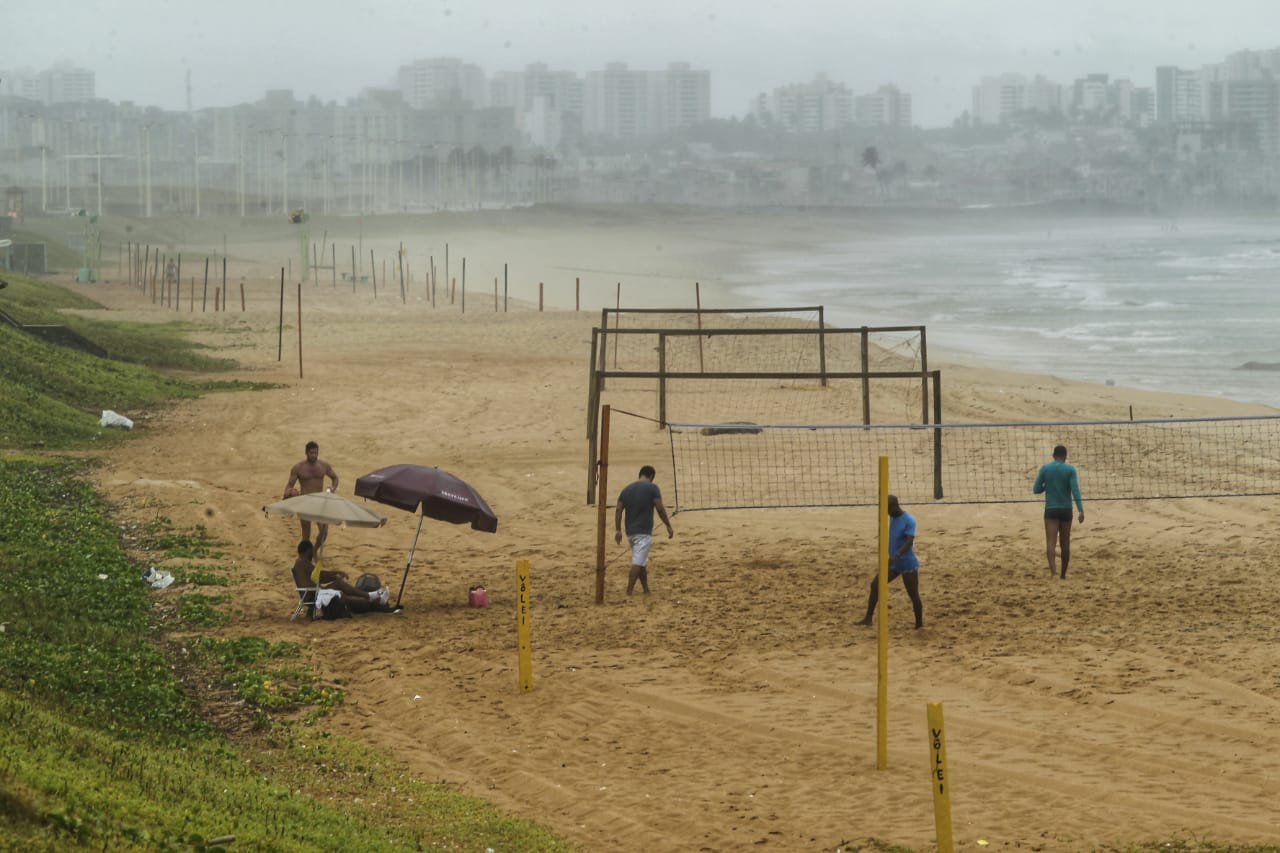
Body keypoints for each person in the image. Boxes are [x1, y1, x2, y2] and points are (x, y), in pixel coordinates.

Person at [856, 495, 923, 629]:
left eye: (886, 509)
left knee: (913, 594)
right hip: (894, 564)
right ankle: (868, 618)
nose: (885, 512)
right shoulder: (893, 517)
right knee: (875, 585)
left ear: (894, 507)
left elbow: (909, 541)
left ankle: (919, 624)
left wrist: (896, 555)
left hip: (907, 563)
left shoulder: (909, 520)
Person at [614, 465, 674, 595]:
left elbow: (618, 510)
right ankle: (629, 591)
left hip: (630, 532)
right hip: (643, 532)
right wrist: (668, 525)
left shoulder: (627, 489)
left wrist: (618, 530)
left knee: (641, 561)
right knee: (637, 562)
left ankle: (646, 589)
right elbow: (660, 508)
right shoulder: (653, 488)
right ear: (651, 476)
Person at [291, 539, 391, 614]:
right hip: (313, 595)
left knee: (341, 588)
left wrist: (334, 576)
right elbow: (320, 576)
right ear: (308, 550)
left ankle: (371, 598)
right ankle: (371, 599)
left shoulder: (299, 563)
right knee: (341, 592)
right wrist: (336, 574)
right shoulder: (302, 562)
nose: (312, 555)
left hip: (314, 592)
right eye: (311, 552)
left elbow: (318, 577)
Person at [1033, 444, 1084, 579]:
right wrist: (1080, 510)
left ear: (1053, 455)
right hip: (1066, 510)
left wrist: (1046, 486)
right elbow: (1075, 490)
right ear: (1065, 456)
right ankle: (1063, 574)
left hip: (1051, 509)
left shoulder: (1045, 469)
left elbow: (1036, 489)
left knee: (1050, 542)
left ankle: (1053, 573)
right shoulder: (1070, 469)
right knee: (1065, 543)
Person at [284, 441, 339, 550]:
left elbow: (335, 478)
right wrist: (288, 495)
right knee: (306, 533)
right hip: (305, 502)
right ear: (306, 453)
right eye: (311, 453)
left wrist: (332, 489)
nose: (313, 455)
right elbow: (289, 486)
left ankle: (314, 551)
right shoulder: (298, 468)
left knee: (324, 532)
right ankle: (305, 556)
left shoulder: (324, 465)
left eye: (315, 453)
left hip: (320, 502)